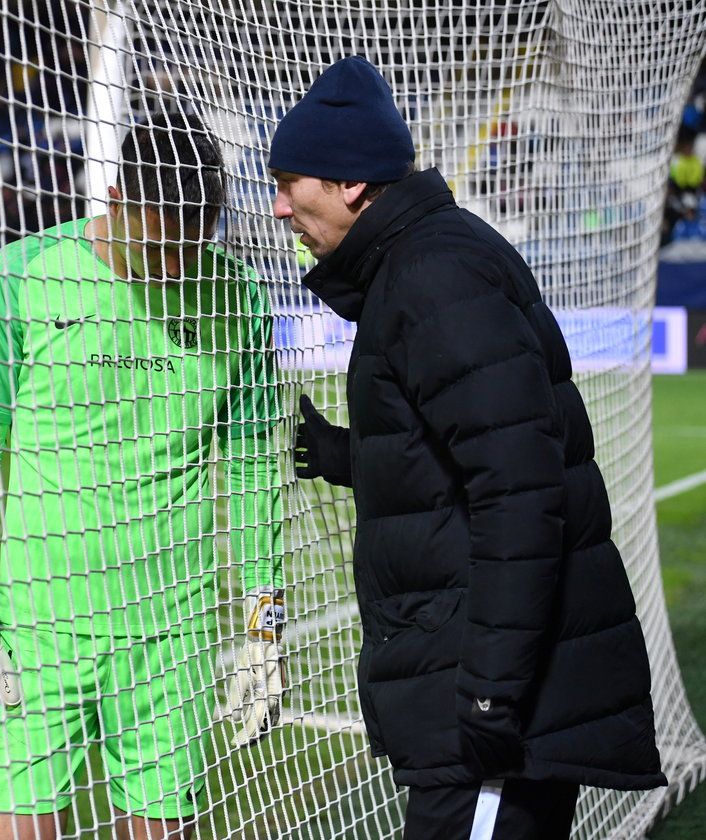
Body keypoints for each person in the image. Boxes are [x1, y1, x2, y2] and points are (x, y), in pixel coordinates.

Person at [269, 56, 666, 839]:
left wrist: (490, 692)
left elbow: (521, 495)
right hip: (480, 676)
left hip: (489, 698)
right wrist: (358, 456)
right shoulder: (421, 264)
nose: (279, 208)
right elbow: (473, 450)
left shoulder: (434, 277)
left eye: (290, 183)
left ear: (351, 184)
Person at [0, 109, 285, 840]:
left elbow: (254, 464)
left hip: (172, 633)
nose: (176, 266)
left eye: (194, 245)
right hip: (38, 630)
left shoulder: (237, 294)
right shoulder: (21, 275)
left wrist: (263, 620)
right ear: (117, 199)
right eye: (162, 244)